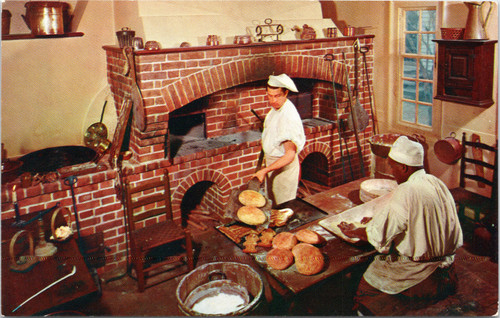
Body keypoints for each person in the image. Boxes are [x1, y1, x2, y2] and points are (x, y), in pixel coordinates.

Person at [339, 136, 463, 315]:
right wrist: (379, 220)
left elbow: (379, 235)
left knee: (366, 287)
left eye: (392, 166)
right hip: (448, 271)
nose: (391, 171)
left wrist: (356, 231)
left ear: (404, 167)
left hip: (422, 274)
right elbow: (417, 219)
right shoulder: (436, 183)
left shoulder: (406, 190)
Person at [252, 74, 306, 206]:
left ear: (286, 93)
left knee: (283, 208)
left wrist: (265, 170)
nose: (272, 100)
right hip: (274, 166)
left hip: (283, 171)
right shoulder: (277, 109)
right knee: (273, 205)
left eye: (276, 96)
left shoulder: (288, 117)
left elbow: (290, 155)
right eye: (269, 95)